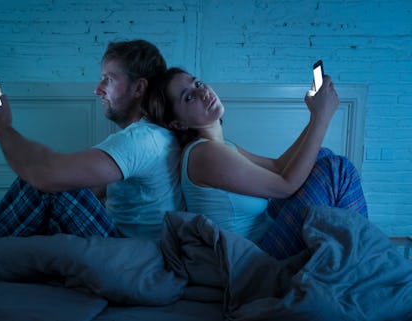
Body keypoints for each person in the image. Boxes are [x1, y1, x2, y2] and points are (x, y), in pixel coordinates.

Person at [146, 67, 368, 259]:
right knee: (337, 170)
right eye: (189, 97)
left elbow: (278, 167)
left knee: (321, 155)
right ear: (178, 124)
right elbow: (285, 185)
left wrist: (314, 116)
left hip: (267, 236)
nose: (202, 91)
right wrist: (322, 117)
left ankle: (354, 256)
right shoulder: (204, 154)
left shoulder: (223, 146)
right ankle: (362, 258)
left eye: (198, 83)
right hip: (257, 259)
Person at [0, 40, 185, 241]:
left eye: (108, 79)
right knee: (56, 179)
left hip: (129, 249)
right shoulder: (155, 134)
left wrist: (0, 126)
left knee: (44, 179)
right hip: (133, 240)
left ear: (139, 88)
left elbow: (44, 175)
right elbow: (103, 188)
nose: (97, 89)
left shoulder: (140, 140)